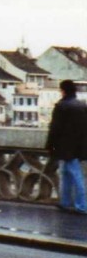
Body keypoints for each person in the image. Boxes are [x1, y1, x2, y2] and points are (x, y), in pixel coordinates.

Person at [46, 80, 87, 214]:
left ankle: (82, 205)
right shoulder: (82, 106)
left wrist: (50, 145)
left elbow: (55, 128)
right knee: (66, 172)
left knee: (75, 174)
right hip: (79, 146)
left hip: (65, 146)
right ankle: (65, 201)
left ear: (63, 90)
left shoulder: (62, 106)